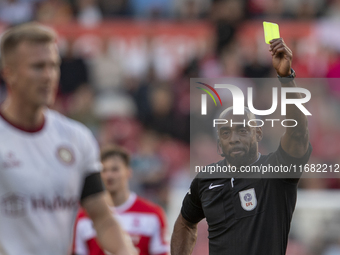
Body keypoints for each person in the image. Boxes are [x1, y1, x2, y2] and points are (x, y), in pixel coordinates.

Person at [0, 23, 136, 255]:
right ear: (9, 73)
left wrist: (127, 251)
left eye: (54, 66)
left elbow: (102, 218)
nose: (48, 76)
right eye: (38, 67)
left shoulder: (76, 137)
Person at [171, 38, 312, 255]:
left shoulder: (277, 170)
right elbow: (185, 223)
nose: (234, 138)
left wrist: (286, 78)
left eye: (242, 130)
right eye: (226, 132)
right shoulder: (206, 179)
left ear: (258, 133)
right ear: (218, 141)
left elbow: (298, 133)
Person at [73, 145, 170, 255]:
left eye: (115, 169)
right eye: (103, 170)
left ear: (128, 172)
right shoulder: (83, 217)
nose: (109, 176)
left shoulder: (153, 214)